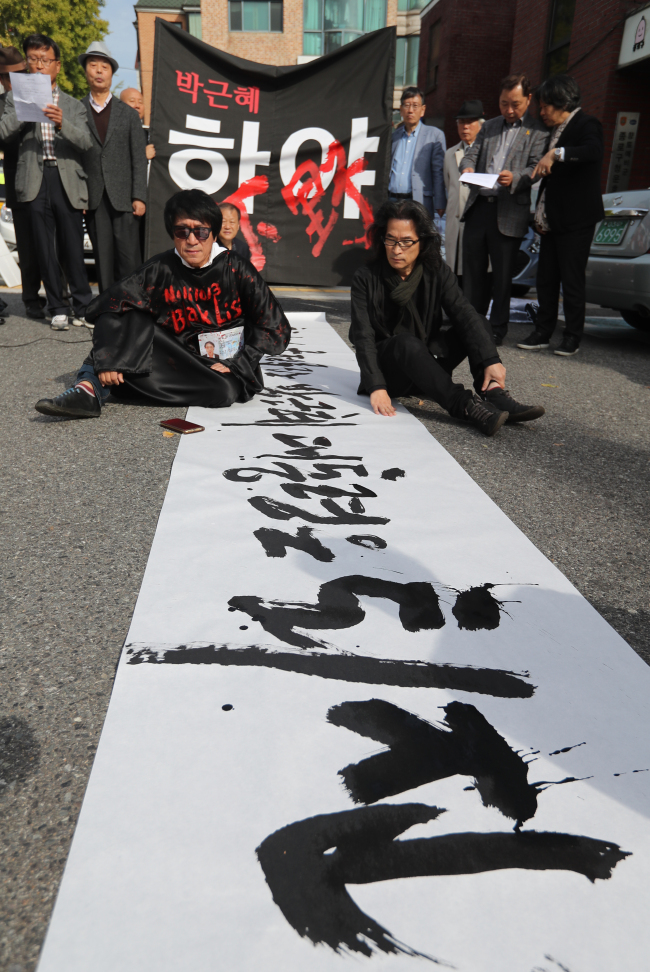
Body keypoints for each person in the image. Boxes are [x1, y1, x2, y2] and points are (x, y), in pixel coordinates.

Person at [34, 189, 291, 418]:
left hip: (222, 367)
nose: (192, 240)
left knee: (225, 393)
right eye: (183, 231)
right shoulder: (159, 269)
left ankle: (125, 379)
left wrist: (241, 362)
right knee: (129, 312)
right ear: (173, 234)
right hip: (174, 355)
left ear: (212, 234)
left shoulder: (237, 268)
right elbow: (103, 306)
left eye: (201, 231)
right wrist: (109, 357)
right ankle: (88, 389)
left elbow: (274, 326)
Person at [349, 199, 544, 436]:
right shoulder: (366, 277)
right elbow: (363, 335)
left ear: (423, 241)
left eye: (406, 241)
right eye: (390, 239)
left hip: (426, 360)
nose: (397, 249)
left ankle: (492, 392)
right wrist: (376, 386)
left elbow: (463, 312)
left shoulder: (435, 270)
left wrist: (491, 359)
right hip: (391, 372)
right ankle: (466, 406)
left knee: (478, 322)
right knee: (405, 342)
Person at [0, 33, 93, 331]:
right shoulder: (16, 98)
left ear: (57, 66)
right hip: (33, 177)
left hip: (65, 177)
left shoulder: (73, 104)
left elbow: (86, 142)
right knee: (44, 247)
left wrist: (62, 123)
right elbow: (2, 132)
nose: (39, 65)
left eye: (45, 60)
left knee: (72, 246)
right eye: (33, 60)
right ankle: (57, 307)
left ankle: (83, 305)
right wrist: (26, 113)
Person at [517, 75, 604, 357]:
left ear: (562, 103)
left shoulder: (586, 124)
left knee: (571, 279)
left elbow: (593, 151)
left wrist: (557, 153)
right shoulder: (552, 130)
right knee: (546, 279)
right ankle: (542, 331)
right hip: (552, 220)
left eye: (545, 106)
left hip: (577, 219)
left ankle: (572, 337)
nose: (541, 112)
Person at [459, 74, 548, 345]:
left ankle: (497, 329)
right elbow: (472, 153)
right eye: (504, 103)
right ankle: (471, 326)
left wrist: (518, 178)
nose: (509, 110)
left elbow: (536, 167)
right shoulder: (490, 126)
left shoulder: (538, 130)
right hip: (480, 207)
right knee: (472, 274)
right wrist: (467, 167)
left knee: (502, 276)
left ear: (529, 99)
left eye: (516, 104)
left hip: (509, 209)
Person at [79, 42, 147, 293]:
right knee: (103, 258)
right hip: (93, 197)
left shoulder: (127, 113)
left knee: (129, 257)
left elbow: (138, 157)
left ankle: (133, 307)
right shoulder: (76, 110)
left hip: (125, 197)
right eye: (93, 65)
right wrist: (79, 196)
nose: (98, 71)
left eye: (104, 67)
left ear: (111, 73)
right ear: (85, 71)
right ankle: (108, 308)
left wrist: (139, 195)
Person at [0, 46, 43, 319]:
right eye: (11, 77)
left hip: (49, 180)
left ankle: (61, 296)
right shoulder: (3, 103)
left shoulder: (44, 94)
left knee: (51, 244)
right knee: (27, 245)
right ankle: (31, 299)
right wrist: (21, 106)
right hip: (18, 181)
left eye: (22, 74)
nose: (18, 80)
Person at [443, 99, 485, 287]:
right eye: (461, 122)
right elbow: (449, 185)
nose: (465, 127)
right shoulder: (450, 153)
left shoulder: (486, 150)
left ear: (480, 125)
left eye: (470, 122)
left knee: (475, 274)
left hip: (477, 222)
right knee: (454, 274)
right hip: (455, 220)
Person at [389, 87, 446, 219]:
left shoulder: (434, 135)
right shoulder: (394, 137)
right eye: (407, 105)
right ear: (401, 109)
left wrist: (440, 202)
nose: (410, 110)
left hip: (418, 201)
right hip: (392, 200)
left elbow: (438, 171)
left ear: (423, 110)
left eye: (415, 106)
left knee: (418, 238)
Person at [120, 88, 156, 161]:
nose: (137, 106)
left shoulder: (150, 133)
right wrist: (142, 155)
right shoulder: (113, 132)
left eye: (140, 102)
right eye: (132, 101)